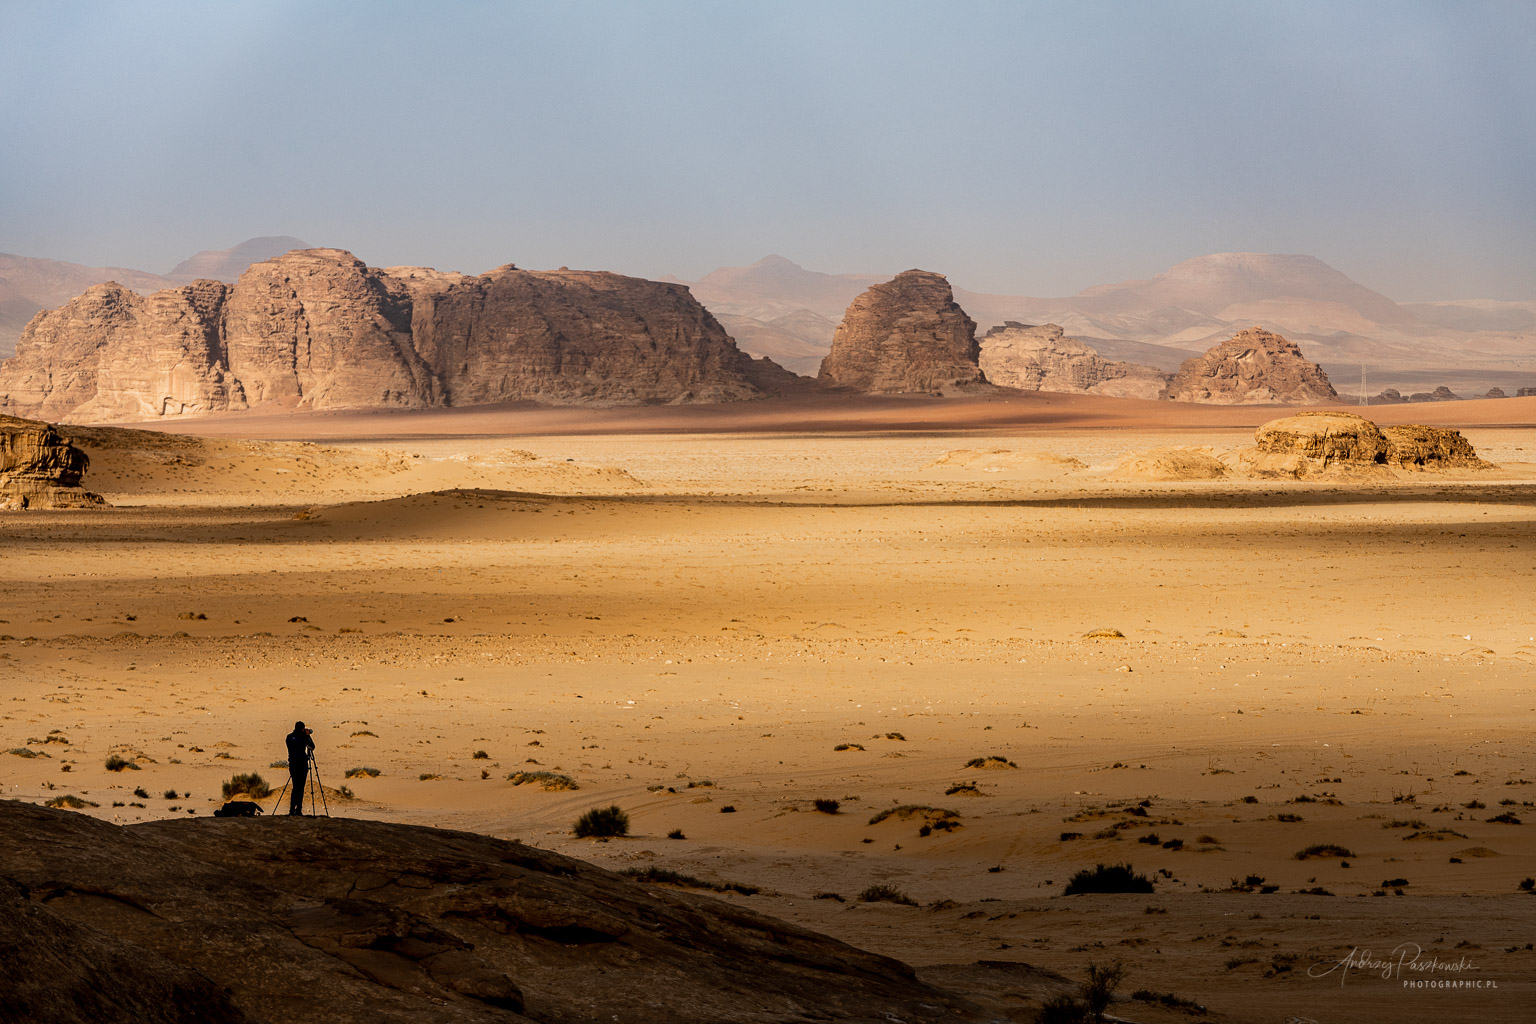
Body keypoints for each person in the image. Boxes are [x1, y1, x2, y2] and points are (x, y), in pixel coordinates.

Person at [285, 721, 315, 816]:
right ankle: (298, 810)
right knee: (300, 787)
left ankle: (291, 809)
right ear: (302, 729)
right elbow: (312, 747)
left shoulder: (289, 737)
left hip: (293, 764)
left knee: (295, 787)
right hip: (302, 764)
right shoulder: (303, 737)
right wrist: (307, 735)